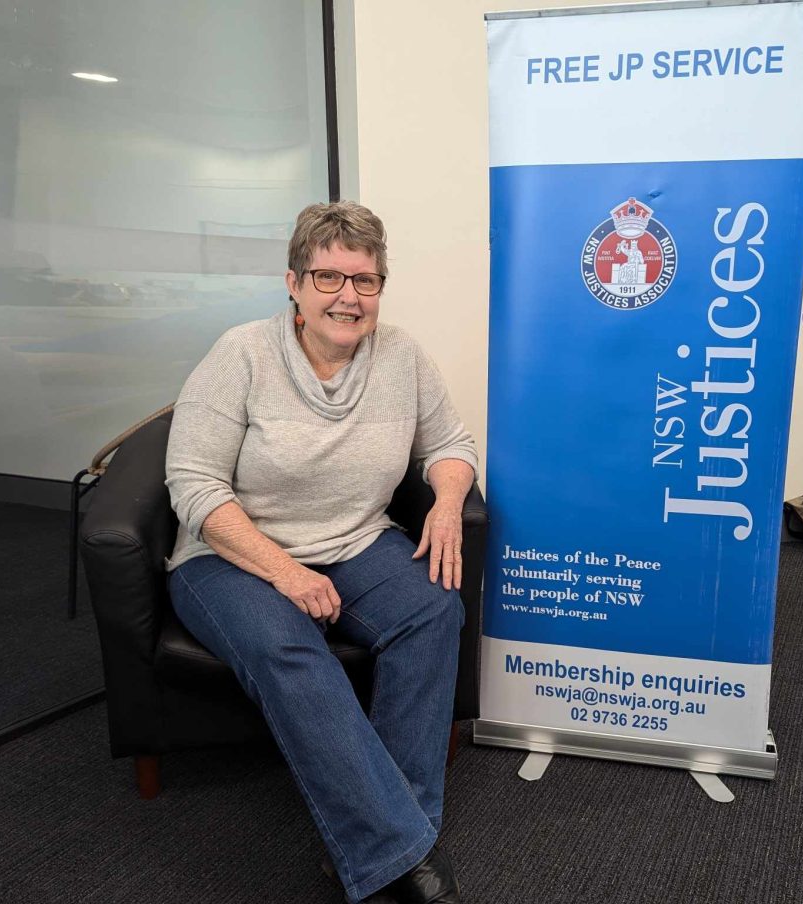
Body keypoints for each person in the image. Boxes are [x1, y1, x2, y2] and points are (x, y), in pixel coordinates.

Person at [164, 201, 477, 904]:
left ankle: (390, 839)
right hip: (231, 557)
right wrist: (283, 571)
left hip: (356, 539)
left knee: (432, 612)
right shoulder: (240, 354)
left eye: (365, 281)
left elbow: (450, 445)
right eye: (329, 277)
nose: (348, 296)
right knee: (289, 649)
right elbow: (192, 484)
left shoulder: (402, 356)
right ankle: (405, 857)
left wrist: (450, 502)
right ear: (294, 283)